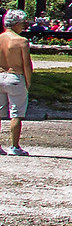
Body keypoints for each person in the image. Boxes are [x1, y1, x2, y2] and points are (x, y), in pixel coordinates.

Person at [0, 9, 31, 156]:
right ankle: (14, 146)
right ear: (16, 23)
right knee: (16, 113)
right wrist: (28, 83)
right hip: (15, 76)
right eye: (23, 23)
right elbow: (26, 65)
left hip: (0, 75)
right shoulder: (21, 41)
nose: (24, 26)